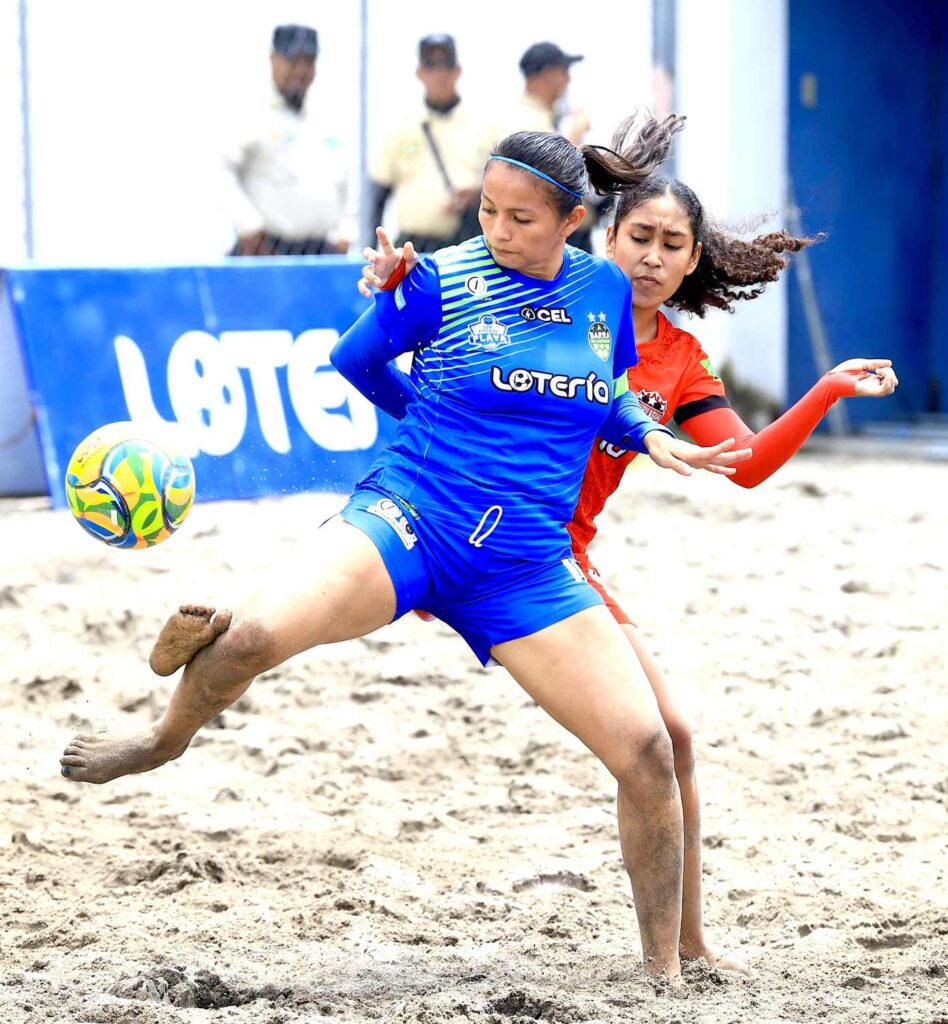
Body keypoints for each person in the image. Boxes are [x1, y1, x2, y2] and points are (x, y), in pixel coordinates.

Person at [59, 117, 753, 982]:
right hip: (412, 519)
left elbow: (605, 387)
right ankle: (161, 740)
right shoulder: (439, 279)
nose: (496, 231)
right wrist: (424, 403)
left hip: (524, 566)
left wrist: (646, 433)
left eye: (520, 219)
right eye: (487, 211)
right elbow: (353, 360)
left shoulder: (603, 290)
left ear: (572, 221)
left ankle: (664, 974)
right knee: (253, 639)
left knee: (647, 752)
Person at [566, 128, 899, 970]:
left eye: (671, 245)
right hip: (481, 531)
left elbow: (743, 465)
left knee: (674, 735)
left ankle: (689, 942)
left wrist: (825, 389)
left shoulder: (679, 359)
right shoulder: (554, 305)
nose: (651, 256)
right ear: (607, 237)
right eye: (639, 236)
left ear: (691, 262)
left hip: (562, 559)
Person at [220, 24, 355, 256]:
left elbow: (347, 184)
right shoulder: (251, 115)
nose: (300, 71)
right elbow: (219, 173)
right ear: (274, 60)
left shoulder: (326, 119)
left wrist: (346, 232)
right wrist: (248, 226)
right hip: (265, 251)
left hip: (320, 252)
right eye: (293, 61)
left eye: (308, 62)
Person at [369, 34, 495, 252]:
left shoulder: (483, 125)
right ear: (420, 72)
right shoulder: (401, 126)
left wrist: (475, 195)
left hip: (466, 241)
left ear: (457, 71)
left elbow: (501, 183)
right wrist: (370, 248)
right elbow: (379, 192)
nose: (440, 74)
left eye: (446, 65)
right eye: (432, 66)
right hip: (414, 244)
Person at [507, 42, 597, 253]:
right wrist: (575, 136)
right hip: (548, 236)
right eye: (564, 72)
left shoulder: (550, 116)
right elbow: (546, 176)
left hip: (566, 230)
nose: (568, 80)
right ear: (548, 74)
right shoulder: (525, 121)